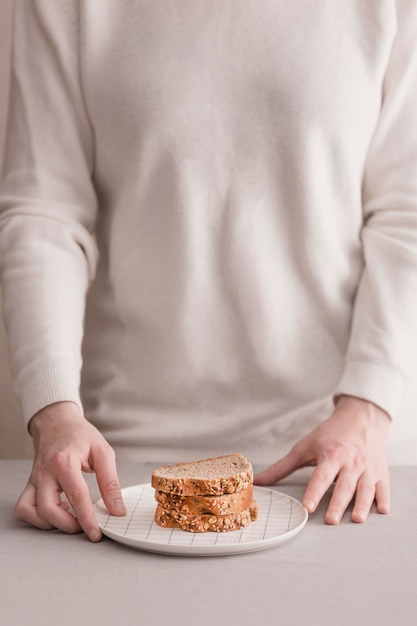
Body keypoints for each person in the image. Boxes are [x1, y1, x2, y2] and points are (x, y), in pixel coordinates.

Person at [0, 0, 416, 543]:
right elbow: (44, 214)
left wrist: (368, 408)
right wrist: (53, 412)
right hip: (118, 468)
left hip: (343, 462)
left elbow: (406, 214)